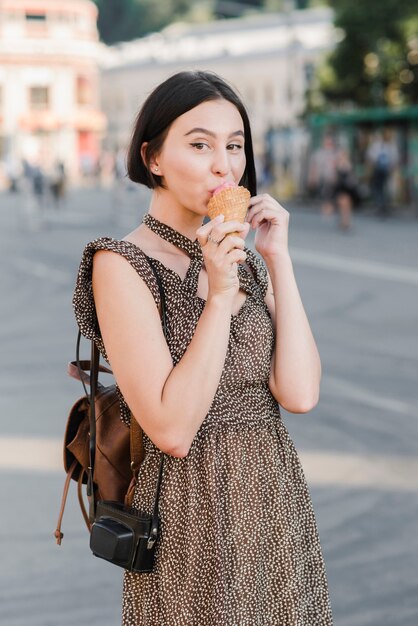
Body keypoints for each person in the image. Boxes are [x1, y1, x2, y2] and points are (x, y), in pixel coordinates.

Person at [73, 70, 332, 625]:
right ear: (153, 158)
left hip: (272, 497)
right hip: (190, 510)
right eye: (200, 144)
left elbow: (301, 393)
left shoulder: (242, 256)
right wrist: (217, 299)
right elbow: (171, 429)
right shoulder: (121, 265)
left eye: (235, 145)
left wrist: (277, 258)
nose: (225, 164)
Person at [366, 129, 399, 218]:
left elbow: (395, 160)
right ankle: (381, 206)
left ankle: (382, 206)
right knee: (378, 188)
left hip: (383, 171)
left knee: (382, 188)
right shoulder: (378, 146)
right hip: (379, 171)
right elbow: (370, 158)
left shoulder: (389, 146)